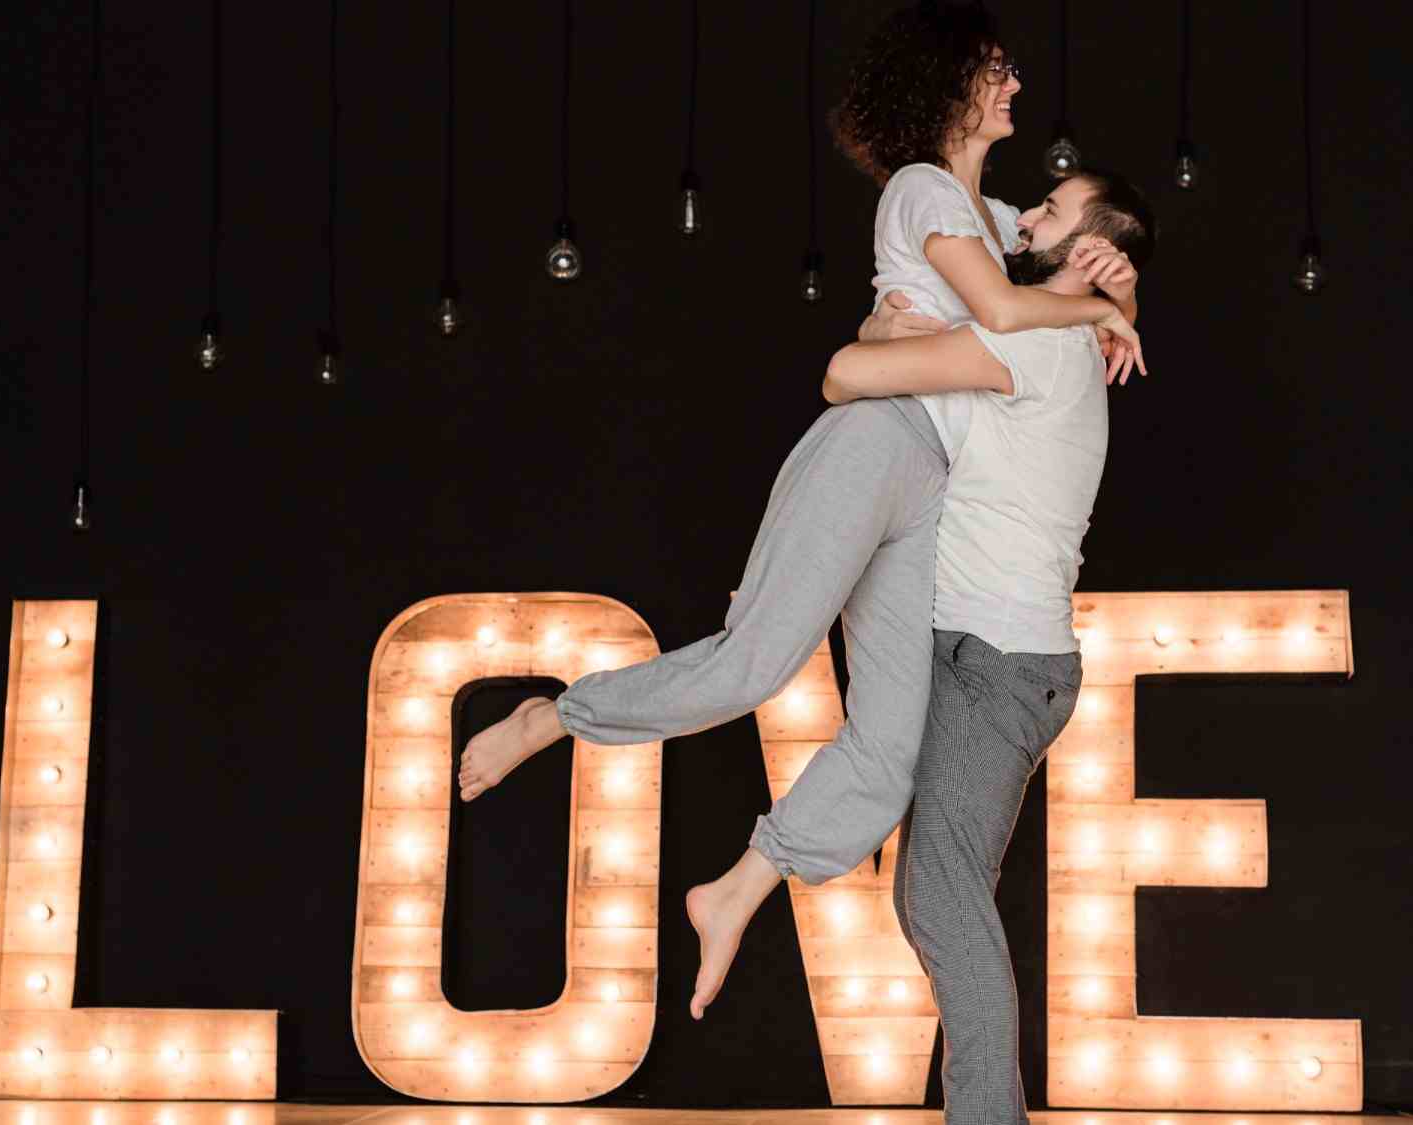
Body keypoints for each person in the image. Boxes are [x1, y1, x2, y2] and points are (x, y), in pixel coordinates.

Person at [456, 0, 1141, 1021]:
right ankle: (554, 716)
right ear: (951, 86)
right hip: (875, 446)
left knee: (896, 745)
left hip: (936, 495)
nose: (1014, 89)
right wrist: (1097, 308)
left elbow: (1055, 258)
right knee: (755, 661)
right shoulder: (921, 192)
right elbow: (1004, 311)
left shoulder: (999, 220)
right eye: (996, 71)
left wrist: (1116, 282)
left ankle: (741, 884)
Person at [823, 168, 1155, 1125]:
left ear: (1081, 249)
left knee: (939, 897)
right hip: (992, 659)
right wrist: (1115, 298)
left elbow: (844, 375)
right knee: (934, 897)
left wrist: (894, 336)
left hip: (993, 663)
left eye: (1049, 211)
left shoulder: (1040, 342)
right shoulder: (1051, 338)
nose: (1026, 215)